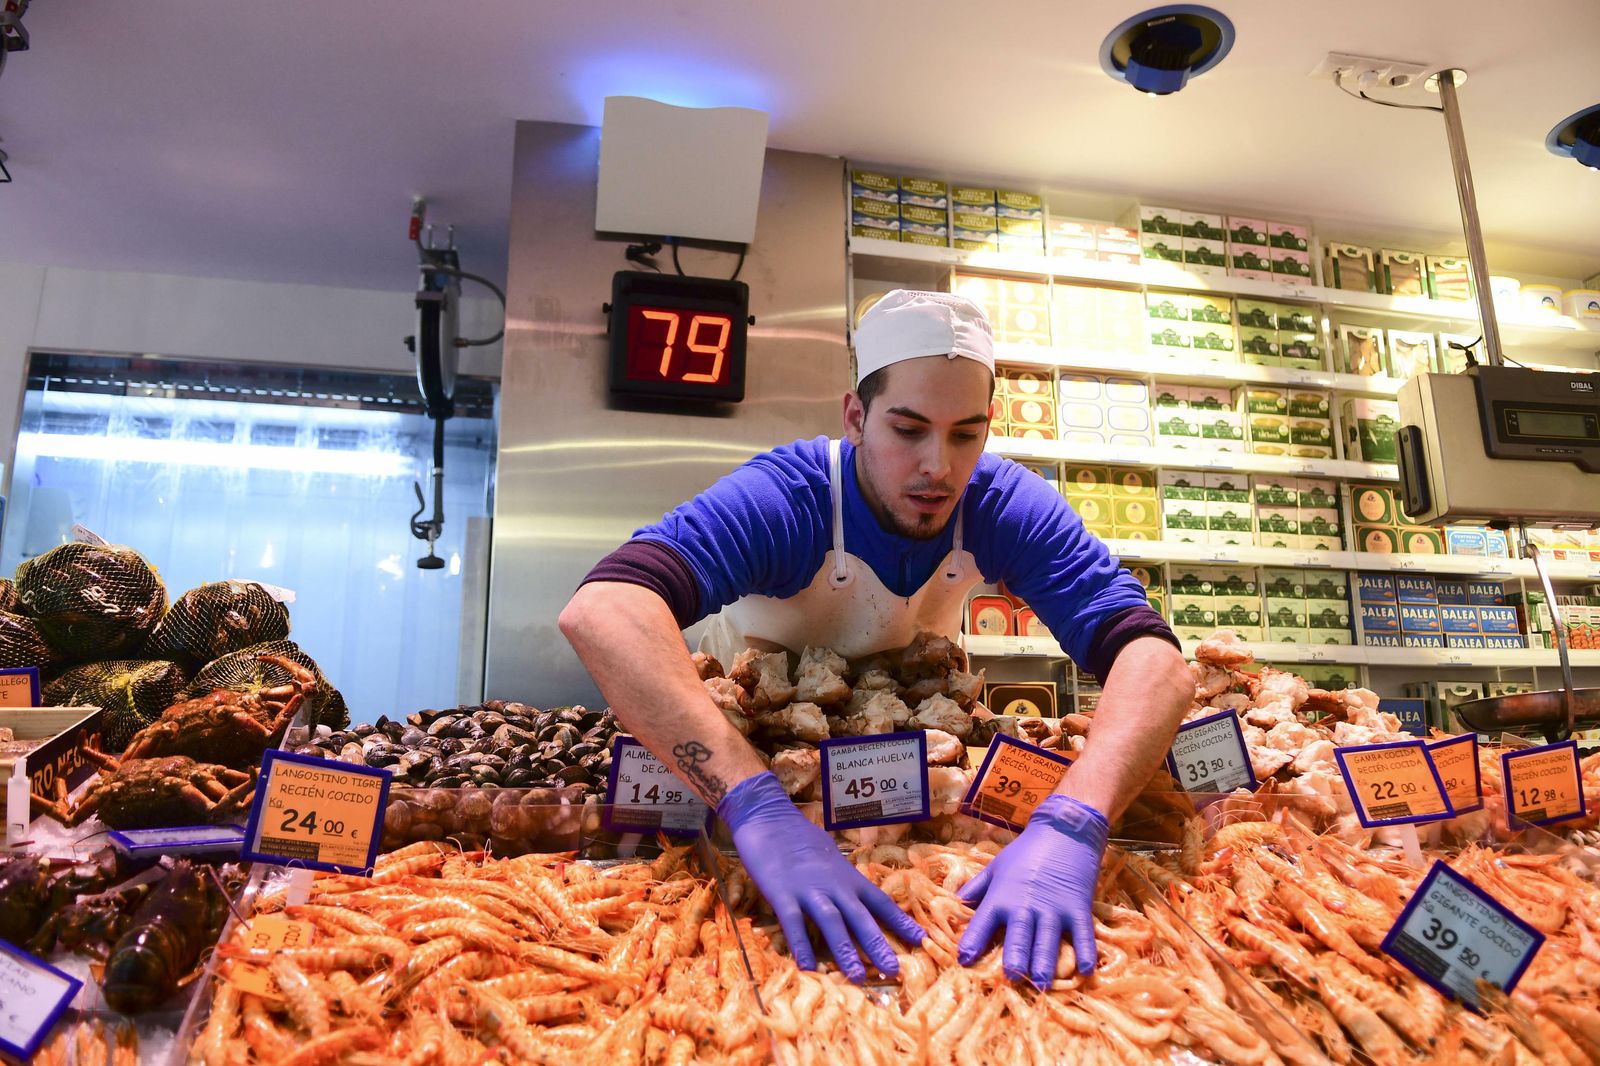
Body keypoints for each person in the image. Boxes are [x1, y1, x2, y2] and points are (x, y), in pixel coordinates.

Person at [559, 289, 1193, 988]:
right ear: (856, 418)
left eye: (965, 434)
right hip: (755, 771)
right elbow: (606, 610)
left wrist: (1078, 816)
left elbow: (1154, 661)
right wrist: (752, 803)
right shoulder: (791, 498)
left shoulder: (1004, 505)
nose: (939, 467)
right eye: (909, 429)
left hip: (911, 790)